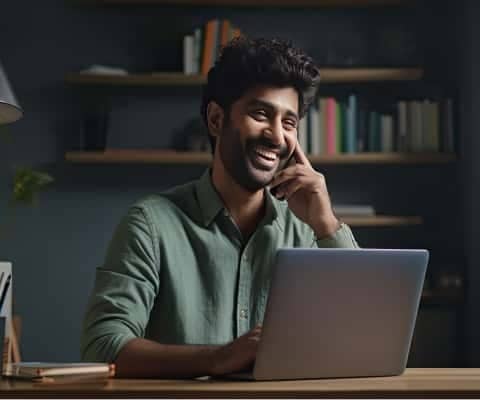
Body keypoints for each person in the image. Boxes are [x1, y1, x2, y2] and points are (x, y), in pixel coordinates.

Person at [80, 37, 359, 378]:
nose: (276, 136)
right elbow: (103, 345)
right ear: (215, 119)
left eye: (289, 123)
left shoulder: (307, 230)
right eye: (261, 114)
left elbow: (359, 342)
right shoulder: (151, 224)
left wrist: (327, 223)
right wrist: (218, 359)